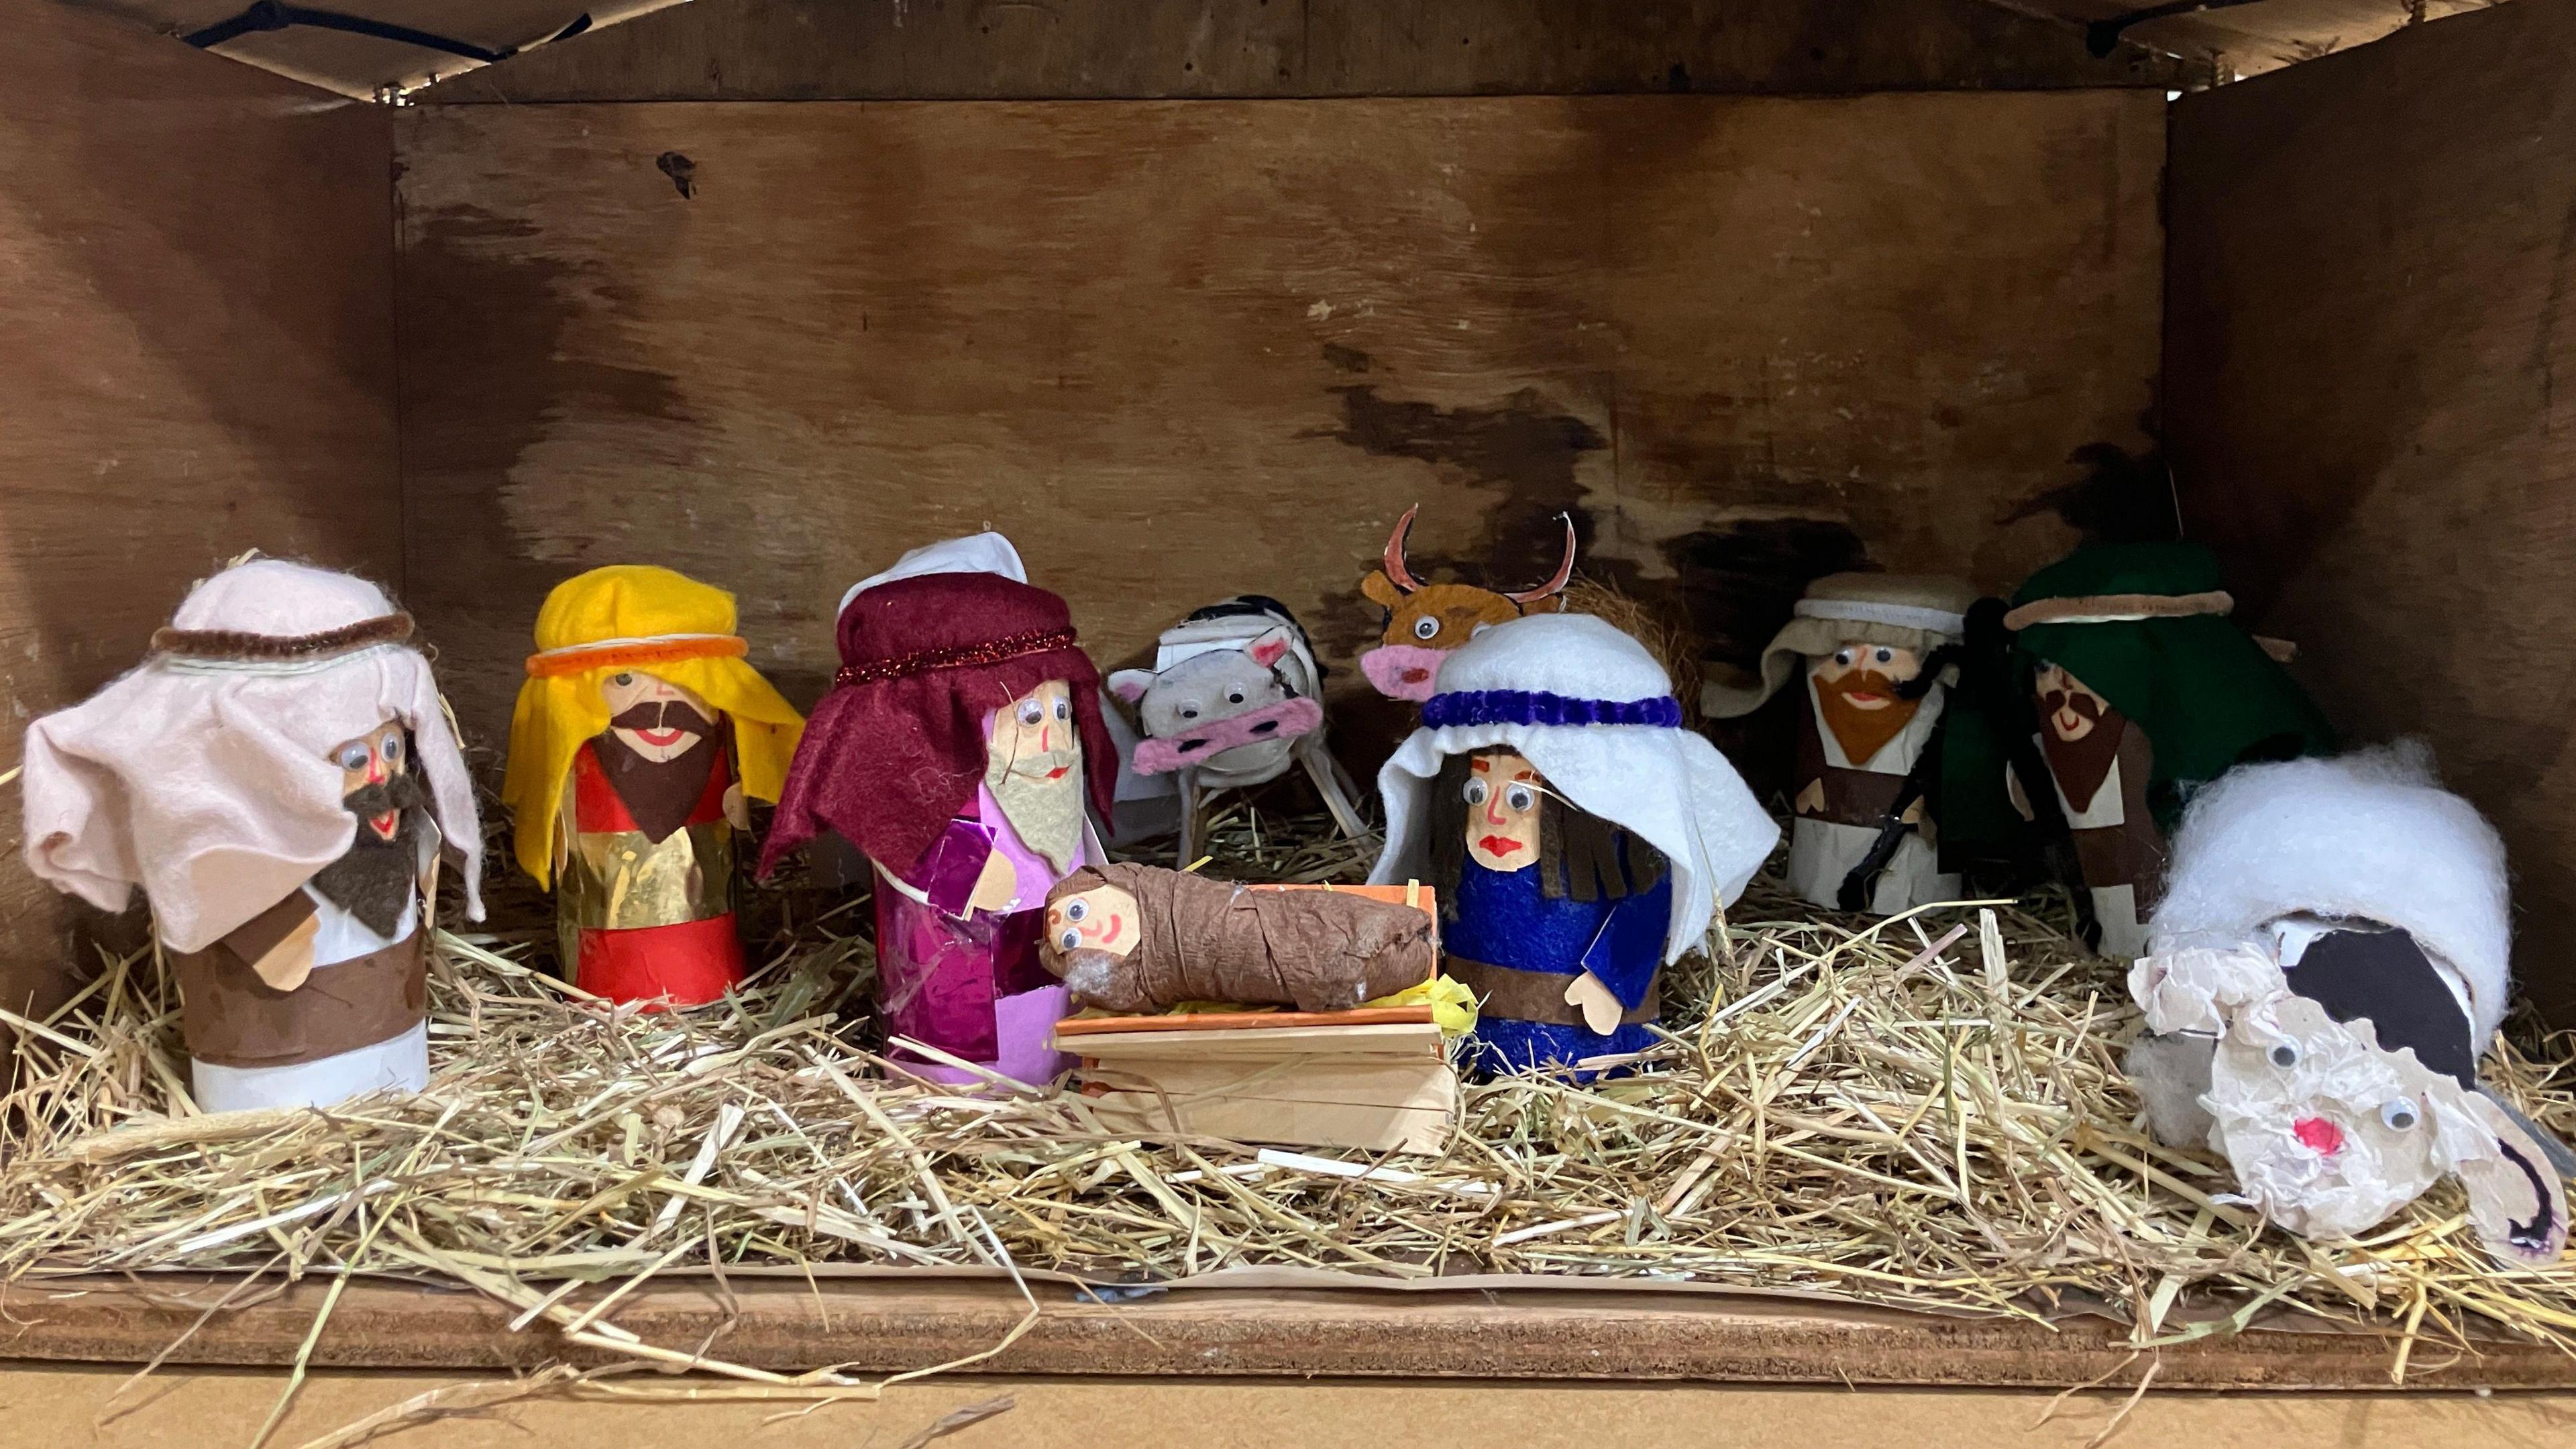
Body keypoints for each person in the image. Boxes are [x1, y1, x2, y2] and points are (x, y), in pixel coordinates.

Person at [22, 559, 484, 1111]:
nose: (381, 775)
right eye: (356, 756)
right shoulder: (217, 836)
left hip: (398, 1072)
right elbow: (219, 893)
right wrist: (269, 930)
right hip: (271, 1095)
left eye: (392, 749)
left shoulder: (388, 820)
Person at [761, 533, 1116, 1086]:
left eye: (1062, 709)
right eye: (1025, 717)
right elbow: (903, 826)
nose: (1051, 736)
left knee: (1052, 1000)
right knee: (969, 1034)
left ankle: (1058, 1064)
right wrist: (966, 870)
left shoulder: (1055, 771)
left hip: (1051, 962)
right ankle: (965, 1086)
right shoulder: (914, 766)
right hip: (963, 1024)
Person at [1371, 612, 1776, 1079]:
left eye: (1522, 797)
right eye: (1477, 792)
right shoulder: (1453, 863)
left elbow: (1645, 911)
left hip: (1584, 1059)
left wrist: (1612, 980)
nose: (1495, 815)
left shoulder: (1628, 859)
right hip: (1473, 1056)